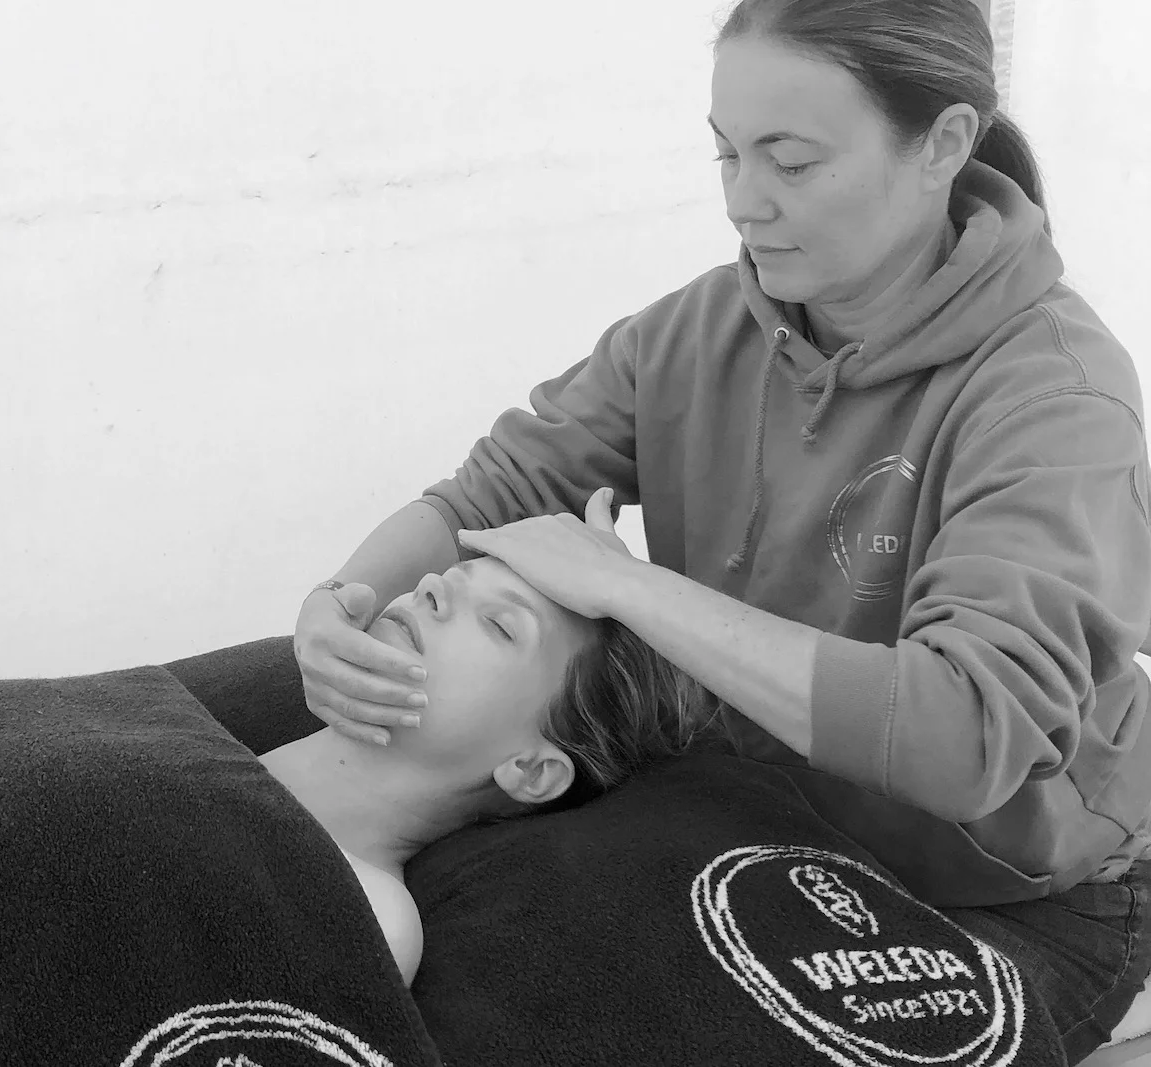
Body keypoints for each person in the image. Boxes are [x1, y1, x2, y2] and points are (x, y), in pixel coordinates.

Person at [289, 1, 1151, 1062]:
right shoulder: (697, 329)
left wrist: (632, 587)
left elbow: (967, 735)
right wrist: (342, 600)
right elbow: (491, 490)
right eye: (726, 154)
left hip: (1011, 893)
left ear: (943, 145)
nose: (745, 201)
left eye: (790, 162)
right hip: (758, 807)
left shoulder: (1054, 399)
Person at [264, 550, 719, 985]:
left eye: (499, 625)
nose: (431, 588)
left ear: (532, 771)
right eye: (450, 574)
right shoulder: (206, 731)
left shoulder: (370, 917)